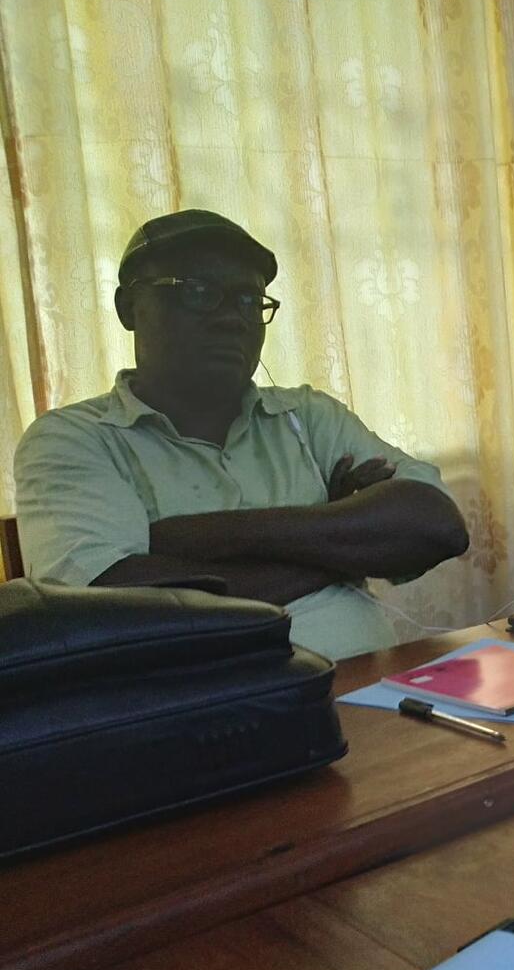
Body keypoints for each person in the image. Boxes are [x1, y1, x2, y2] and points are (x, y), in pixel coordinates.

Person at [13, 209, 470, 662]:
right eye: (198, 292)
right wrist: (339, 538)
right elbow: (116, 608)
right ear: (128, 307)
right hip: (214, 706)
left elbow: (437, 524)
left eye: (251, 300)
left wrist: (193, 538)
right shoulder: (73, 439)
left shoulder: (306, 416)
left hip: (376, 687)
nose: (233, 318)